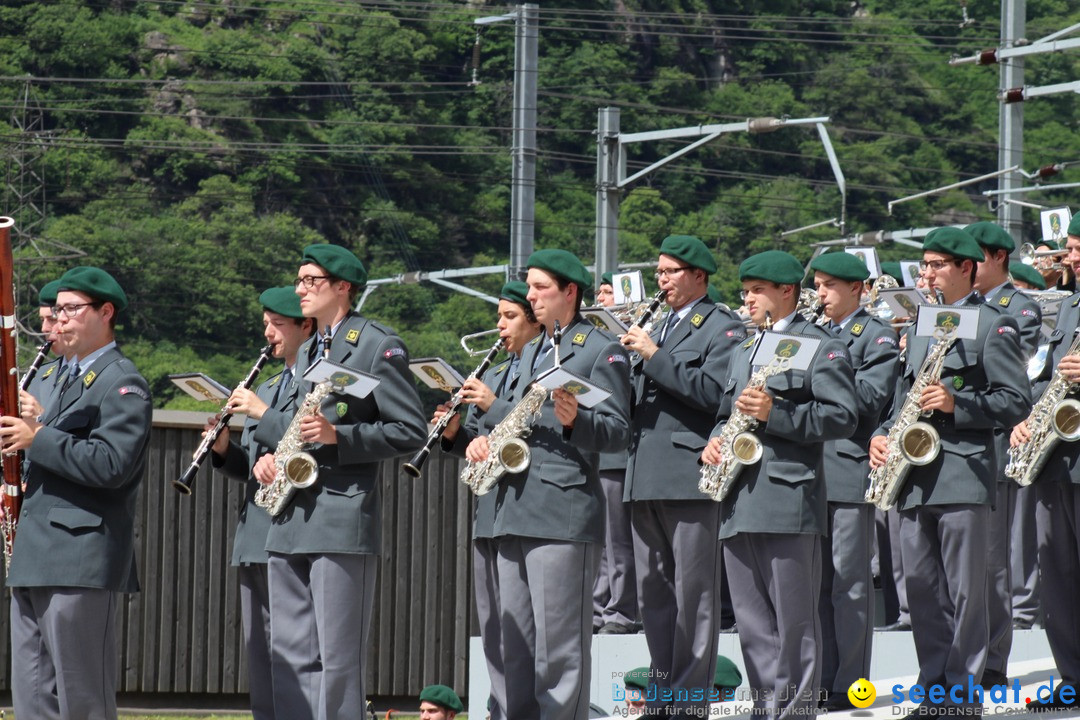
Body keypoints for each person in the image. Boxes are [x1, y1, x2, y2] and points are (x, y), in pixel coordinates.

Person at [250, 244, 428, 720]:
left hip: (341, 515)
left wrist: (339, 436)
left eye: (311, 281)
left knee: (337, 660)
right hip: (288, 515)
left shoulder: (377, 344)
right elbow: (297, 425)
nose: (300, 289)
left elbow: (410, 430)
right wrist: (268, 458)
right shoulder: (308, 348)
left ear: (343, 288)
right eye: (300, 279)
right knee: (288, 656)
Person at [869, 227, 1030, 716]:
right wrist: (881, 432)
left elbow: (1014, 400)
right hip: (913, 475)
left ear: (966, 268)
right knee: (920, 588)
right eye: (926, 263)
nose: (928, 272)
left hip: (961, 471)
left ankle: (962, 692)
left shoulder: (993, 324)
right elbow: (901, 393)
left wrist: (958, 403)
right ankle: (934, 686)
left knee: (966, 590)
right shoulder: (922, 322)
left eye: (938, 264)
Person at [465, 248, 631, 720]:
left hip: (561, 513)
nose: (531, 296)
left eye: (540, 288)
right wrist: (480, 440)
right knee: (513, 646)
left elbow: (618, 432)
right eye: (530, 287)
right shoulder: (530, 351)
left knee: (559, 654)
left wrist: (578, 421)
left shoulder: (602, 349)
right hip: (510, 508)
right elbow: (511, 421)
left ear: (569, 292)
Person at [701, 250, 857, 720]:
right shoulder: (742, 348)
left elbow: (843, 416)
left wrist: (778, 413)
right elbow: (725, 413)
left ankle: (796, 712)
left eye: (755, 292)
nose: (745, 300)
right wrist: (712, 442)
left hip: (789, 497)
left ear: (785, 292)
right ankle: (767, 708)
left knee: (795, 623)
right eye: (744, 291)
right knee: (751, 623)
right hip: (737, 496)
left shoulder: (819, 344)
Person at [0, 265, 153, 720]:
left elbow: (112, 465)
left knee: (81, 697)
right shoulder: (54, 376)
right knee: (31, 696)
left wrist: (37, 435)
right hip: (33, 552)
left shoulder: (122, 382)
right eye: (56, 310)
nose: (59, 319)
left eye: (70, 310)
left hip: (80, 555)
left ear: (105, 313)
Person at [620, 235, 746, 717]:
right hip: (642, 472)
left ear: (699, 276)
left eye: (671, 272)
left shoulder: (722, 326)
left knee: (694, 595)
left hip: (688, 472)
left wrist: (653, 356)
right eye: (659, 272)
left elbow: (716, 393)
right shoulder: (654, 322)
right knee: (653, 593)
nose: (662, 280)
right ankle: (663, 692)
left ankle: (690, 702)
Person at [436, 280, 543, 720]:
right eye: (498, 316)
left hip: (533, 511)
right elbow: (483, 442)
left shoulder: (546, 370)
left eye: (509, 316)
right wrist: (456, 436)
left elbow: (542, 432)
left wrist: (494, 406)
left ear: (535, 319)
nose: (499, 326)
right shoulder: (494, 375)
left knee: (526, 634)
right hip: (491, 512)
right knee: (496, 630)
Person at [207, 286, 314, 720]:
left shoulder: (317, 384)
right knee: (262, 661)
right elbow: (251, 465)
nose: (268, 332)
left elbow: (310, 444)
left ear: (306, 326)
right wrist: (221, 450)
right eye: (266, 323)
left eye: (278, 324)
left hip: (293, 531)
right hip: (254, 533)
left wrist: (261, 412)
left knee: (296, 657)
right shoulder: (268, 385)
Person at [809, 251, 899, 712]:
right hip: (806, 470)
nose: (819, 294)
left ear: (857, 289)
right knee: (814, 584)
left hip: (846, 467)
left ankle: (850, 683)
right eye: (817, 285)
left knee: (849, 583)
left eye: (828, 286)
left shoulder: (876, 336)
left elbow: (868, 399)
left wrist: (818, 372)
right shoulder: (810, 333)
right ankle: (821, 677)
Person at [966, 220, 1042, 689]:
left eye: (971, 258)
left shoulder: (1019, 308)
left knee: (992, 562)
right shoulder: (954, 309)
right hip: (957, 448)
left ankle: (993, 659)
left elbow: (1016, 370)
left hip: (995, 443)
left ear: (996, 258)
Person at [1012, 225, 1080, 710]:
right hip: (1058, 459)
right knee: (1058, 577)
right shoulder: (1070, 306)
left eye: (1076, 250)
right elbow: (1045, 371)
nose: (1069, 259)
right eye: (1071, 251)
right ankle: (1073, 677)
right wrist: (1029, 416)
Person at [593, 270, 638, 635]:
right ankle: (599, 608)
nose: (604, 297)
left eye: (610, 291)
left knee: (620, 543)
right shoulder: (597, 339)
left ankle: (620, 612)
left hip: (620, 454)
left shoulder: (636, 337)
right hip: (595, 449)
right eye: (601, 291)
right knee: (602, 543)